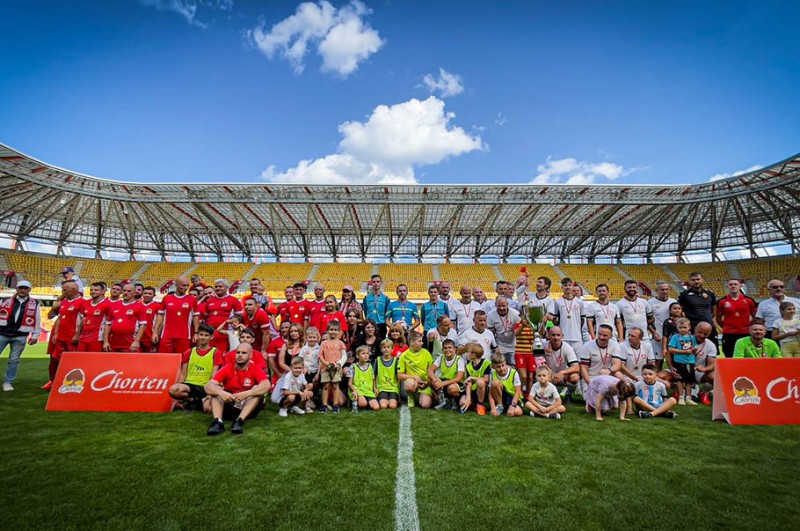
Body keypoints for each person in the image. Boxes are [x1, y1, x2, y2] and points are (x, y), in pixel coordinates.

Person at [205, 343, 271, 436]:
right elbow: (208, 386)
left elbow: (266, 385)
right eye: (238, 352)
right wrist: (221, 393)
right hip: (230, 402)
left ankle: (239, 421)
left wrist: (247, 393)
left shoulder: (255, 368)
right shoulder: (228, 367)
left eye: (243, 353)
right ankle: (218, 422)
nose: (240, 355)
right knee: (216, 389)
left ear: (250, 355)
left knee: (256, 389)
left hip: (248, 406)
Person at [168, 324, 220, 412]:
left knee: (208, 410)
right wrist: (180, 386)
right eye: (201, 334)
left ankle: (197, 402)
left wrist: (211, 391)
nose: (203, 337)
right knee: (173, 390)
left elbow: (214, 375)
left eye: (206, 335)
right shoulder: (189, 352)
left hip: (205, 386)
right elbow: (184, 373)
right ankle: (192, 400)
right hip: (190, 385)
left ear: (211, 337)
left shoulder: (216, 352)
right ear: (197, 335)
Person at [1, 280, 41, 392]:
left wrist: (35, 335)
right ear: (16, 289)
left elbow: (37, 319)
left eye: (25, 288)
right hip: (2, 333)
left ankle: (8, 382)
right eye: (20, 288)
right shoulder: (4, 300)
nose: (22, 290)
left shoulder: (35, 303)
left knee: (14, 360)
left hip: (20, 335)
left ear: (29, 290)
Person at [48, 280, 83, 385]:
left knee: (72, 361)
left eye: (65, 290)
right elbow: (59, 318)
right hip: (60, 337)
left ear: (73, 290)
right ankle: (55, 381)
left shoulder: (82, 302)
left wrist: (77, 335)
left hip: (72, 338)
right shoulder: (63, 302)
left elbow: (83, 320)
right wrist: (56, 333)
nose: (63, 292)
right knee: (56, 359)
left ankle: (73, 382)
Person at [154, 276, 199, 354]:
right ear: (176, 284)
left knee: (182, 359)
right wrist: (155, 332)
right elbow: (160, 316)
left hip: (184, 336)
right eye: (183, 285)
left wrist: (196, 333)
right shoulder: (167, 299)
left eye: (187, 286)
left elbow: (195, 317)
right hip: (167, 335)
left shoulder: (192, 300)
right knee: (165, 359)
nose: (185, 288)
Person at [716, 279, 757, 358]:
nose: (733, 286)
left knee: (748, 356)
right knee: (729, 356)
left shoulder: (749, 300)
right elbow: (718, 318)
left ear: (740, 286)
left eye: (735, 284)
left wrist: (750, 327)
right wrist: (725, 327)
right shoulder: (722, 301)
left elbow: (755, 316)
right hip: (729, 334)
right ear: (727, 287)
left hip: (745, 333)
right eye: (731, 284)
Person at [538, 326, 581, 398]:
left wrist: (562, 372)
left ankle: (569, 393)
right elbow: (538, 362)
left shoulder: (567, 347)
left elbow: (576, 367)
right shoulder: (543, 345)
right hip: (548, 374)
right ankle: (546, 397)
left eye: (558, 335)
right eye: (553, 335)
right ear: (548, 335)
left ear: (562, 336)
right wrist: (548, 373)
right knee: (541, 376)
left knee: (575, 377)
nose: (556, 337)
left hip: (562, 376)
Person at [202, 279, 243, 353]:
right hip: (211, 334)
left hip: (224, 334)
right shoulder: (210, 300)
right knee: (209, 353)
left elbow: (239, 317)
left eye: (220, 286)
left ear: (226, 288)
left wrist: (234, 330)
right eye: (216, 287)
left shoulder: (233, 300)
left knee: (222, 355)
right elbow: (206, 316)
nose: (218, 288)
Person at [103, 283, 146, 352]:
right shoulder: (114, 305)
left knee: (130, 362)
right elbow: (108, 324)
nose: (126, 293)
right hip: (113, 344)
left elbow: (143, 326)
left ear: (134, 293)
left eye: (129, 291)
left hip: (131, 344)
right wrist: (105, 341)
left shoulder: (140, 306)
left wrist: (136, 341)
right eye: (124, 290)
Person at [666, 318, 699, 405]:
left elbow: (695, 348)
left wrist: (694, 350)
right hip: (679, 361)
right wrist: (684, 352)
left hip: (690, 362)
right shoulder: (675, 337)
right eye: (680, 327)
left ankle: (688, 397)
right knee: (680, 379)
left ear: (689, 327)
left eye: (685, 327)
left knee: (689, 380)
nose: (682, 329)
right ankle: (681, 397)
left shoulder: (692, 338)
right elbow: (670, 349)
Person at [398, 331, 434, 408]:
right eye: (419, 341)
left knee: (425, 405)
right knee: (410, 384)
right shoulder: (404, 356)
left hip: (425, 383)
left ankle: (421, 396)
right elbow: (400, 375)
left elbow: (432, 370)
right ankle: (411, 396)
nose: (422, 343)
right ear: (412, 342)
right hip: (413, 382)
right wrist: (414, 377)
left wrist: (427, 382)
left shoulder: (426, 353)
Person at [678, 272, 717, 342]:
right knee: (692, 351)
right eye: (693, 280)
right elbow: (679, 311)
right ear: (689, 282)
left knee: (712, 351)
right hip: (693, 328)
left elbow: (714, 311)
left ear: (702, 280)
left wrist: (707, 319)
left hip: (708, 326)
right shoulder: (684, 295)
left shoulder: (710, 294)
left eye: (698, 279)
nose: (696, 281)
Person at [428, 338, 465, 410]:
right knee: (429, 379)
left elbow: (459, 378)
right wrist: (435, 380)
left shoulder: (459, 359)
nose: (447, 350)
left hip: (456, 383)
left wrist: (442, 384)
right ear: (442, 350)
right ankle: (443, 401)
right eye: (445, 348)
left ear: (455, 349)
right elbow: (430, 370)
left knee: (452, 388)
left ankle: (454, 401)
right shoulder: (441, 357)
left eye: (450, 348)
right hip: (445, 381)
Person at [318, 321, 347, 413]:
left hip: (336, 368)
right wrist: (325, 363)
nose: (333, 332)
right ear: (328, 330)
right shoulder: (324, 343)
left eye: (335, 330)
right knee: (326, 386)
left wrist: (338, 364)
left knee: (335, 386)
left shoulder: (340, 343)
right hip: (326, 368)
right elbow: (320, 356)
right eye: (331, 330)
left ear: (339, 331)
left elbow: (344, 356)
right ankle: (324, 404)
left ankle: (335, 404)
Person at [75, 282, 111, 352]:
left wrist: (106, 341)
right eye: (91, 290)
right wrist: (77, 335)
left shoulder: (108, 304)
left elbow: (109, 323)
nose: (93, 291)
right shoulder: (86, 303)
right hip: (83, 338)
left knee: (94, 361)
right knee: (80, 360)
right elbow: (83, 319)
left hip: (97, 339)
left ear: (102, 291)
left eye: (96, 290)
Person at [648, 280, 677, 368]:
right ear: (656, 290)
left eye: (666, 289)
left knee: (674, 359)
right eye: (662, 289)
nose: (664, 291)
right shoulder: (650, 303)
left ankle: (674, 379)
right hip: (659, 335)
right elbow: (648, 321)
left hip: (672, 336)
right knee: (658, 360)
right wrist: (653, 333)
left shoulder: (673, 301)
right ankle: (657, 379)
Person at [487, 296, 522, 367]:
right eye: (499, 306)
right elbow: (491, 334)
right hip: (500, 345)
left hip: (513, 345)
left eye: (503, 306)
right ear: (495, 305)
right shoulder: (491, 315)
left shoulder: (515, 314)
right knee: (500, 365)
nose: (501, 308)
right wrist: (495, 347)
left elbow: (518, 332)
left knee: (513, 366)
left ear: (507, 304)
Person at [552, 277, 585, 352]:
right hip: (564, 337)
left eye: (569, 285)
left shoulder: (580, 302)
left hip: (577, 337)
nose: (567, 287)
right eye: (565, 285)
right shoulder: (557, 302)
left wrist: (578, 329)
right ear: (562, 287)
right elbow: (555, 320)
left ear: (572, 287)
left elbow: (582, 320)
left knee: (577, 361)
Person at [488, 352, 524, 417]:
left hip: (512, 397)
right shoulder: (492, 373)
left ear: (505, 363)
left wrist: (512, 406)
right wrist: (492, 408)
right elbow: (490, 393)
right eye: (498, 367)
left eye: (503, 365)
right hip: (501, 397)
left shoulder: (514, 372)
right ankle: (500, 406)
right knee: (495, 383)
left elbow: (518, 392)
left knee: (518, 412)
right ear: (493, 366)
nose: (501, 369)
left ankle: (506, 408)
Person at [348, 345, 380, 412]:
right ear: (357, 356)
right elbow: (349, 383)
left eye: (367, 353)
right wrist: (354, 390)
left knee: (376, 407)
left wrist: (374, 388)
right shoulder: (353, 366)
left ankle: (366, 400)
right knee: (363, 404)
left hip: (368, 391)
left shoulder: (370, 366)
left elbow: (373, 378)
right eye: (363, 353)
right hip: (358, 390)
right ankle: (354, 401)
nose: (366, 355)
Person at [462, 343, 491, 415]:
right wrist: (468, 398)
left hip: (484, 391)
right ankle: (472, 403)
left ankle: (480, 404)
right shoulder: (468, 366)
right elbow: (468, 383)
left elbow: (486, 379)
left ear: (473, 355)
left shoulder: (486, 363)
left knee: (480, 382)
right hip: (472, 390)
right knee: (462, 402)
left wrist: (472, 377)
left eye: (467, 352)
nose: (466, 354)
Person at [375, 338, 400, 410]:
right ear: (381, 349)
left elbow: (398, 377)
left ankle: (394, 399)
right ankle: (382, 398)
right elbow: (374, 375)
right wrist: (375, 388)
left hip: (393, 388)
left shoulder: (396, 360)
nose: (386, 349)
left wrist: (399, 392)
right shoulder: (377, 360)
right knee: (383, 406)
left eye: (388, 347)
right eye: (384, 347)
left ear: (392, 349)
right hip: (381, 388)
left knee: (392, 406)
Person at [363, 274, 391, 340]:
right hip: (370, 325)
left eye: (378, 282)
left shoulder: (386, 298)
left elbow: (387, 313)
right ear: (371, 283)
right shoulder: (366, 298)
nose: (376, 284)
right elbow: (365, 311)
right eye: (374, 282)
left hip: (381, 325)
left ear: (381, 283)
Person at [138, 286, 160, 352]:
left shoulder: (157, 306)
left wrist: (156, 333)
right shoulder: (137, 305)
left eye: (150, 294)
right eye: (145, 293)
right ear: (142, 294)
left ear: (154, 295)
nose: (147, 295)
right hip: (137, 337)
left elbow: (160, 322)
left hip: (150, 337)